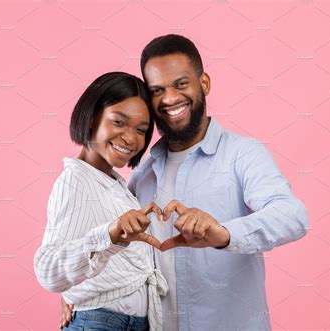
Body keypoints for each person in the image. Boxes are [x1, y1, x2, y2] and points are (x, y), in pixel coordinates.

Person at [62, 35, 309, 330]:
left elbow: (292, 216)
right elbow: (117, 247)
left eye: (180, 84)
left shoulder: (243, 153)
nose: (169, 99)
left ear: (204, 83)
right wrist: (73, 287)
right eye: (157, 90)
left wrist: (224, 234)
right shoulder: (144, 171)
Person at [34, 72, 169, 331]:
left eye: (141, 130)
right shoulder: (75, 182)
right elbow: (48, 270)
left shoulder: (114, 183)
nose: (131, 138)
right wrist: (110, 235)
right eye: (119, 121)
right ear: (92, 116)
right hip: (102, 323)